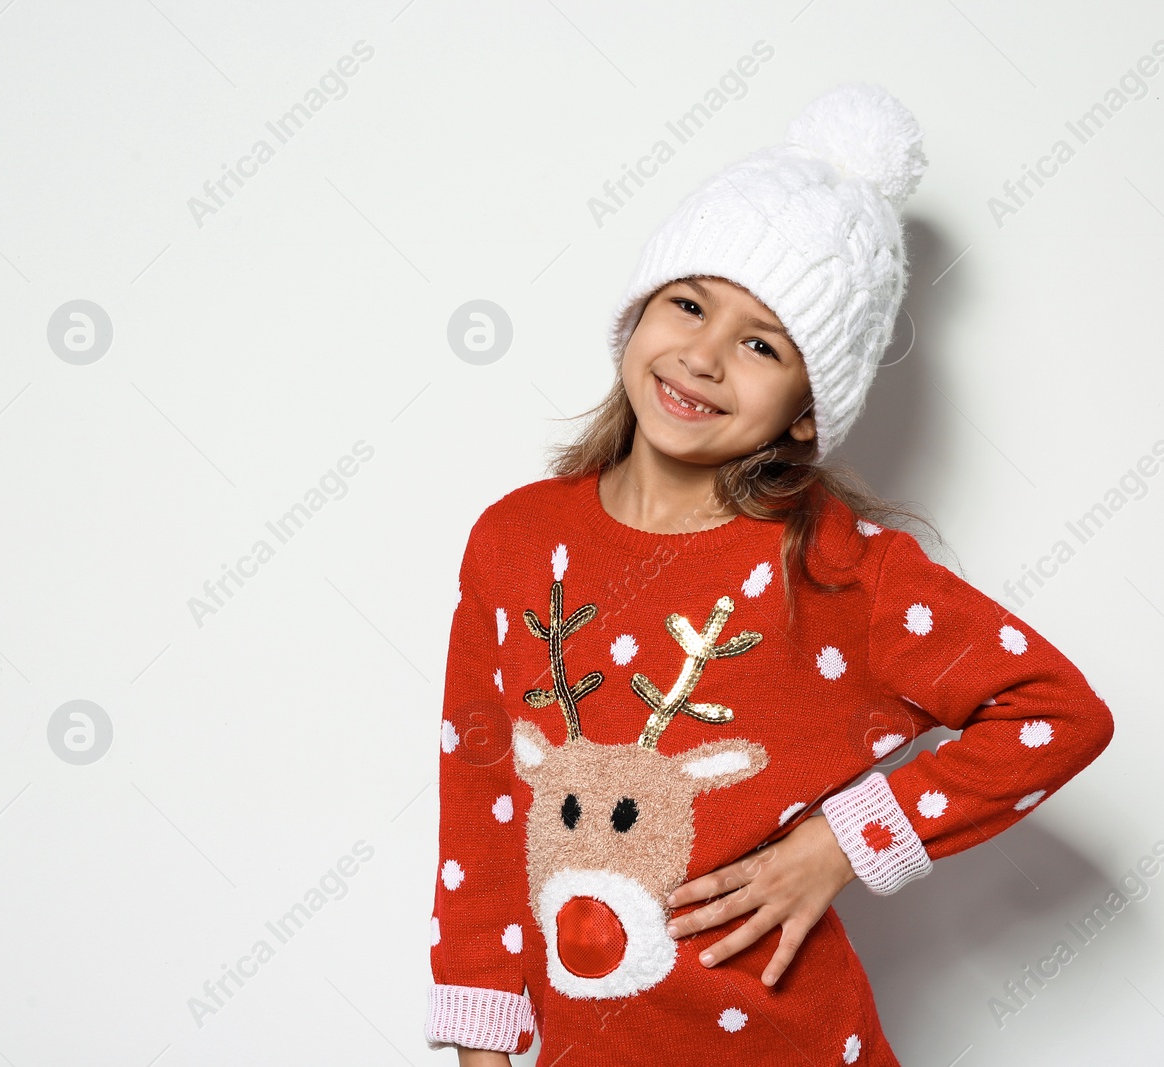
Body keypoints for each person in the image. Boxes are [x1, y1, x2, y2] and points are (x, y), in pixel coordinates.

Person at [423, 83, 1114, 1066]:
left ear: (804, 408)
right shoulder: (515, 540)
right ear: (638, 313)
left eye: (760, 343)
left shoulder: (832, 567)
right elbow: (485, 789)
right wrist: (482, 1036)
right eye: (688, 303)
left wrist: (840, 844)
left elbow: (1054, 711)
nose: (703, 357)